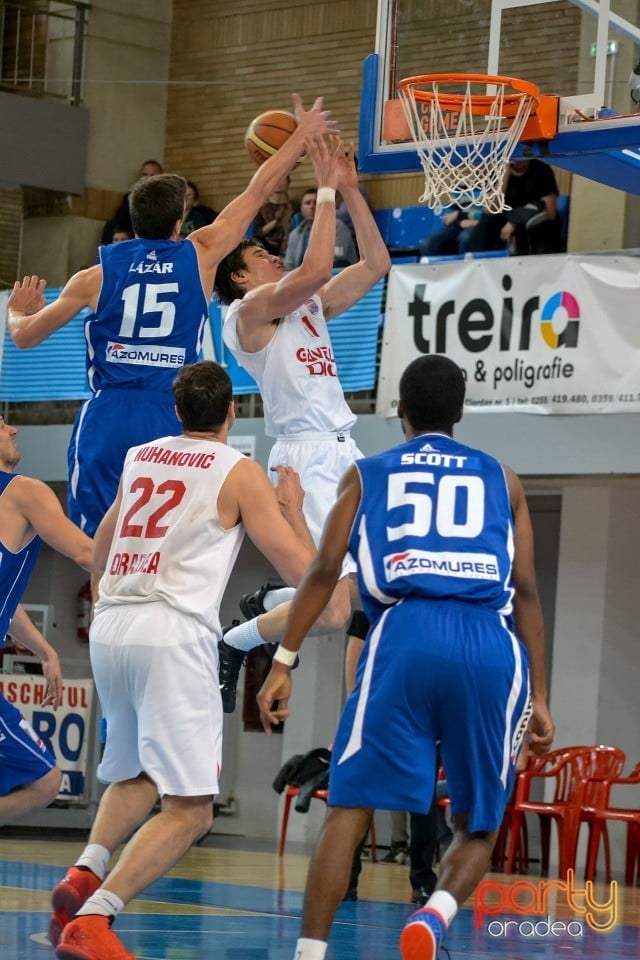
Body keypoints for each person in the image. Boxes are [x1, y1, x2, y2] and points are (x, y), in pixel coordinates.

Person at [257, 354, 555, 960]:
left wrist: (285, 659)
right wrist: (541, 695)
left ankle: (309, 953)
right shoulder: (505, 478)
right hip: (490, 644)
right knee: (479, 818)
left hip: (405, 632)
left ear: (400, 411)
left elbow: (320, 572)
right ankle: (433, 918)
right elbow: (525, 591)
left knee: (350, 805)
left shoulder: (367, 475)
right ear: (461, 411)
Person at [7, 94, 338, 599]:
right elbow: (258, 189)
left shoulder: (94, 275)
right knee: (168, 549)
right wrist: (300, 135)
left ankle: (109, 660)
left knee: (105, 557)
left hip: (108, 417)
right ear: (180, 222)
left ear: (132, 222)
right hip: (173, 417)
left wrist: (16, 309)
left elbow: (25, 338)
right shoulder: (201, 254)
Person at [49, 360, 321, 960]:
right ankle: (95, 920)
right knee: (192, 810)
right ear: (232, 412)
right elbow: (305, 575)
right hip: (171, 631)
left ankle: (84, 874)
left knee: (137, 773)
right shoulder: (240, 470)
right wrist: (293, 510)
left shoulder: (141, 455)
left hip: (112, 624)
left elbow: (98, 551)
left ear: (176, 412)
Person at [214, 138, 391, 712]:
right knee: (335, 612)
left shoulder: (304, 306)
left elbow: (376, 265)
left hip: (346, 452)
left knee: (368, 590)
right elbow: (317, 267)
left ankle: (274, 596)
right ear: (238, 281)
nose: (271, 256)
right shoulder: (245, 317)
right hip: (306, 457)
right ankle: (235, 640)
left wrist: (355, 195)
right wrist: (325, 188)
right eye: (259, 257)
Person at [0, 416, 94, 826]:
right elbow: (88, 554)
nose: (13, 430)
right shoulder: (25, 492)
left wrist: (45, 649)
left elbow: (6, 603)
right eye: (3, 424)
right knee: (46, 780)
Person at [468, 158, 562, 255]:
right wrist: (504, 175)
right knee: (486, 221)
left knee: (541, 228)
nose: (516, 160)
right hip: (503, 222)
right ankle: (475, 261)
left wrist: (514, 221)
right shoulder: (499, 171)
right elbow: (490, 209)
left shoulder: (542, 170)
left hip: (532, 222)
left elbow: (550, 212)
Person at [283, 185, 358, 269]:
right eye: (307, 203)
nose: (312, 206)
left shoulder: (338, 227)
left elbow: (337, 258)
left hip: (337, 274)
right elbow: (289, 264)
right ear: (301, 208)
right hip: (304, 278)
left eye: (316, 202)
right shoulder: (294, 234)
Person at [101, 159, 163, 245]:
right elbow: (121, 219)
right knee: (111, 225)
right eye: (145, 174)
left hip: (153, 232)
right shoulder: (130, 196)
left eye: (152, 175)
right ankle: (106, 256)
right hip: (132, 231)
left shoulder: (165, 199)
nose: (148, 178)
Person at [252, 175, 296, 257]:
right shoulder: (261, 207)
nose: (279, 183)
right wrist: (276, 220)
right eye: (275, 180)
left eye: (282, 179)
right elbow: (258, 233)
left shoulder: (295, 206)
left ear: (288, 183)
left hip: (291, 249)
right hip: (266, 249)